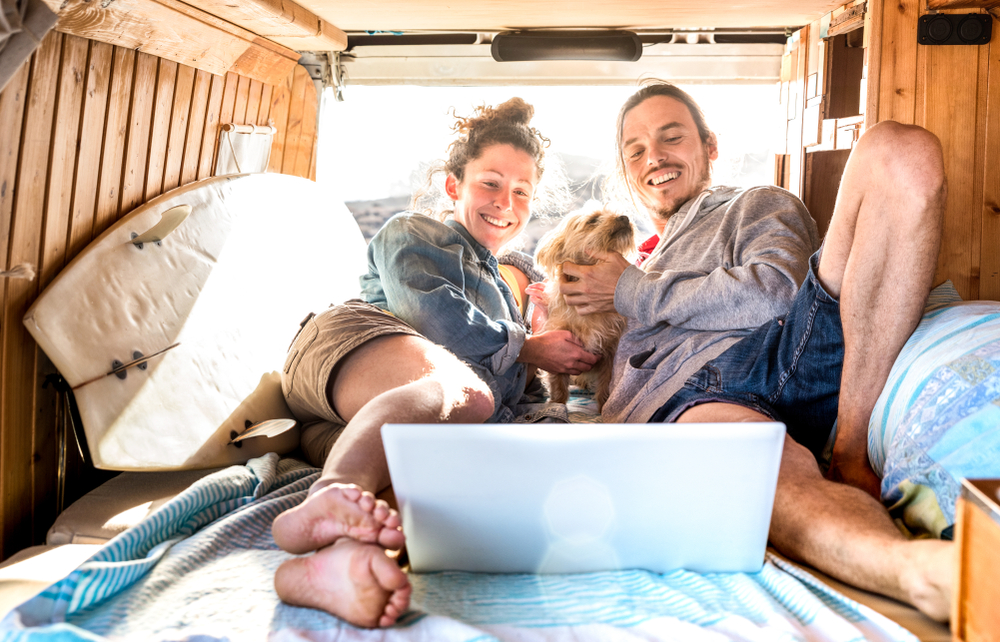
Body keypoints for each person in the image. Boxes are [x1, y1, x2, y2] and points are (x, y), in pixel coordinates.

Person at [556, 81, 954, 621]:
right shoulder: (640, 259)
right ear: (627, 172)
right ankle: (921, 571)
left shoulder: (754, 204)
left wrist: (629, 290)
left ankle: (852, 450)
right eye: (636, 150)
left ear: (710, 146)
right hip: (699, 399)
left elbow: (776, 293)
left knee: (900, 149)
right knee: (765, 460)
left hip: (787, 346)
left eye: (672, 137)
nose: (655, 157)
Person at [269, 98, 599, 628]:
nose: (504, 202)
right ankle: (329, 495)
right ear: (454, 187)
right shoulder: (416, 232)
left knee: (443, 474)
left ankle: (335, 564)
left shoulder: (505, 294)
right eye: (490, 183)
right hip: (343, 351)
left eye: (521, 192)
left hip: (366, 424)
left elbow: (522, 401)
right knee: (468, 393)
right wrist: (530, 347)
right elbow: (438, 323)